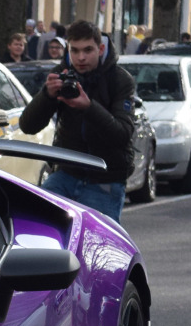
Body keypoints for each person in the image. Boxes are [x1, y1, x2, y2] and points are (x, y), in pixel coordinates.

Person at [19, 20, 135, 222]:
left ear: (100, 49)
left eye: (88, 50)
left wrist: (88, 107)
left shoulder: (119, 79)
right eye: (75, 51)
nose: (81, 58)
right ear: (68, 49)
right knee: (37, 224)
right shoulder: (62, 74)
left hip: (105, 178)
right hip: (66, 173)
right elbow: (28, 126)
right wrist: (47, 95)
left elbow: (122, 134)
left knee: (98, 247)